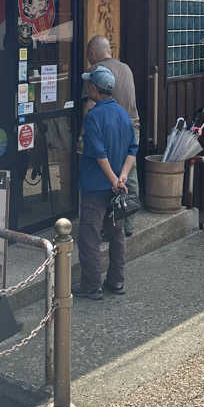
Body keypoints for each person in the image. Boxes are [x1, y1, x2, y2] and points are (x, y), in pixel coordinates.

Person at [74, 65, 138, 300]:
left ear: (94, 88)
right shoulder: (122, 113)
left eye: (89, 84)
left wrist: (112, 179)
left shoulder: (93, 117)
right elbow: (133, 149)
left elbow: (98, 154)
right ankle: (116, 280)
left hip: (95, 186)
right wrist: (122, 177)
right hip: (117, 187)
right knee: (116, 234)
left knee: (89, 236)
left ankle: (91, 285)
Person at [84, 35, 140, 235]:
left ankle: (108, 225)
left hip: (109, 129)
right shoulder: (126, 68)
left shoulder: (96, 72)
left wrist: (83, 134)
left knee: (108, 176)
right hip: (132, 126)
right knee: (129, 176)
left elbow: (90, 105)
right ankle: (128, 224)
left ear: (92, 53)